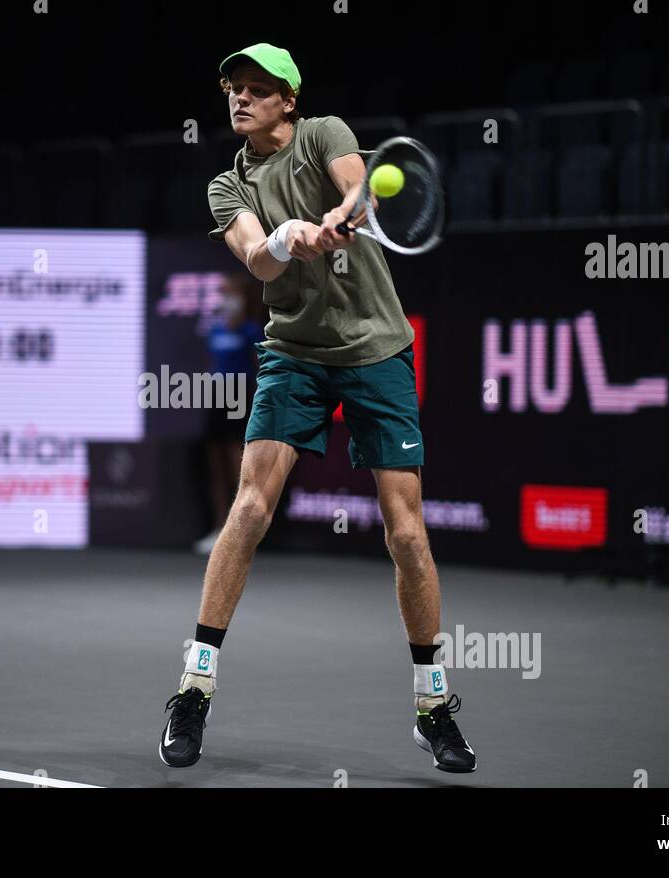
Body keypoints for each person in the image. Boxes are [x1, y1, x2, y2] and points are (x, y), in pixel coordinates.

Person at [159, 43, 476, 773]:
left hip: (378, 353)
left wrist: (338, 216)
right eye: (233, 88)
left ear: (289, 100)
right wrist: (285, 238)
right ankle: (194, 689)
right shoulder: (225, 186)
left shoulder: (326, 131)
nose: (240, 98)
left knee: (407, 534)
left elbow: (357, 188)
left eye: (257, 88)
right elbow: (254, 259)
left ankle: (433, 707)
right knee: (248, 510)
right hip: (293, 356)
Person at [194, 273, 264, 555]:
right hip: (217, 396)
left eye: (230, 293)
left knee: (238, 464)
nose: (226, 299)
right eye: (222, 293)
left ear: (243, 297)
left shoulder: (250, 330)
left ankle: (241, 529)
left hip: (241, 396)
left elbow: (260, 366)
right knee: (216, 466)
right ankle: (219, 527)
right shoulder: (215, 330)